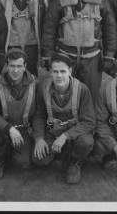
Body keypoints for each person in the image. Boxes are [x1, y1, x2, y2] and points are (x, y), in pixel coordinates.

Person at [41, 0, 116, 101]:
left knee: (91, 95)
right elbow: (49, 28)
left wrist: (109, 55)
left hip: (92, 57)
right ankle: (64, 121)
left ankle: (89, 122)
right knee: (65, 93)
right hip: (65, 56)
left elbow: (110, 28)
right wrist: (48, 54)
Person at [32, 52, 95, 184]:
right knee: (38, 159)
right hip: (52, 131)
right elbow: (39, 116)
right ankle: (61, 153)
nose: (59, 75)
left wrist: (65, 136)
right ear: (50, 72)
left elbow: (89, 121)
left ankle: (75, 162)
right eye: (55, 71)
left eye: (63, 71)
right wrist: (39, 138)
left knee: (86, 142)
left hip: (75, 133)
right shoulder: (43, 88)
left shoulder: (82, 89)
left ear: (70, 71)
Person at [0, 48, 38, 180]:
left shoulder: (35, 84)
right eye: (12, 66)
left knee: (23, 163)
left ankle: (11, 150)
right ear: (6, 66)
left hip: (24, 130)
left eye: (19, 66)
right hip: (2, 129)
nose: (15, 70)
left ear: (25, 67)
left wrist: (37, 136)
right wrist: (9, 129)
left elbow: (39, 114)